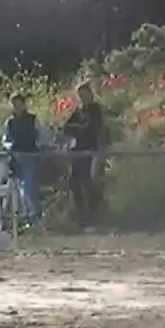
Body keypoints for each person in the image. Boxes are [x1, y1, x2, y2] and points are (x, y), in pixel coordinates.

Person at [63, 81, 106, 228]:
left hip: (92, 149)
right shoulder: (78, 110)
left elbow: (95, 127)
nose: (83, 97)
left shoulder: (95, 109)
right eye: (80, 95)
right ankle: (81, 213)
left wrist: (81, 129)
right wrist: (78, 128)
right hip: (78, 150)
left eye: (85, 94)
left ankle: (95, 213)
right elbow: (66, 128)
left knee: (89, 180)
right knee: (73, 180)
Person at [2, 93, 43, 224]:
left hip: (30, 156)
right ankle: (22, 217)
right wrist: (10, 148)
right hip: (15, 158)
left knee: (28, 188)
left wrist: (40, 147)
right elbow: (6, 139)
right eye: (14, 105)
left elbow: (42, 135)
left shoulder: (33, 119)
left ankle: (34, 215)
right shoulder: (10, 122)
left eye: (19, 104)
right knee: (15, 188)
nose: (17, 107)